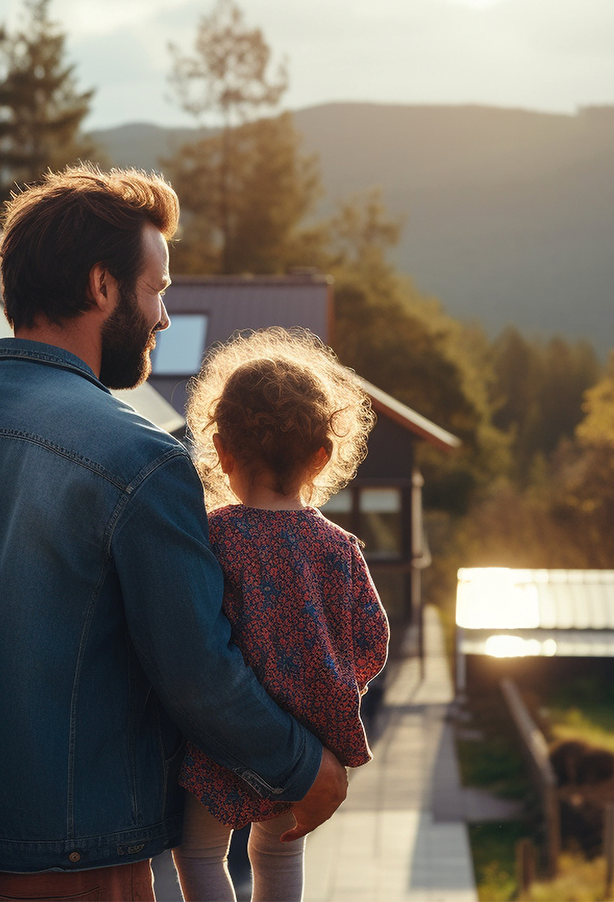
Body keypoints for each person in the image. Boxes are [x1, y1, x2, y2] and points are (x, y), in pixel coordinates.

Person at [0, 165, 348, 902]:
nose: (165, 316)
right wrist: (304, 765)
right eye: (157, 289)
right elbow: (196, 669)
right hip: (72, 871)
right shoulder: (143, 461)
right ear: (103, 287)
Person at [171, 328, 389, 902]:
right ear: (322, 456)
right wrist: (327, 683)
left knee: (197, 853)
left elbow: (192, 631)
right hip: (307, 740)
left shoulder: (214, 536)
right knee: (277, 849)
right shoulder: (340, 548)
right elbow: (372, 640)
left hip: (223, 737)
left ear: (222, 450)